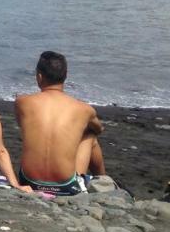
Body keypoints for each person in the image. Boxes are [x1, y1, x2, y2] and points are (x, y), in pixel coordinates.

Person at [14, 51, 106, 195]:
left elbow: (22, 124)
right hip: (65, 186)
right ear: (65, 76)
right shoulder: (84, 109)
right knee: (90, 137)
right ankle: (103, 181)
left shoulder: (22, 102)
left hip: (29, 182)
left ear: (39, 77)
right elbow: (99, 129)